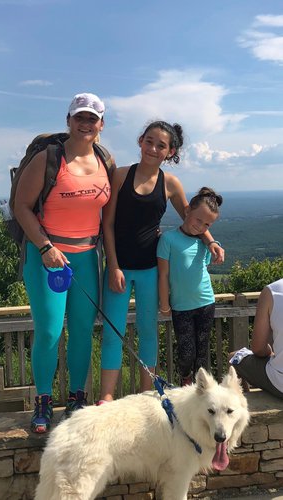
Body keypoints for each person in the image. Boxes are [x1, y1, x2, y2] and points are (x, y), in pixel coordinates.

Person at [99, 121, 224, 403]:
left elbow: (193, 218)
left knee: (148, 332)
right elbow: (107, 225)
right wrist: (114, 265)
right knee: (112, 332)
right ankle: (106, 398)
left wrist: (211, 241)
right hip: (120, 268)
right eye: (149, 141)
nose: (153, 148)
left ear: (170, 152)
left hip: (150, 270)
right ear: (140, 140)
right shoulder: (119, 176)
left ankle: (146, 396)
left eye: (161, 145)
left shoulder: (170, 183)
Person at [14, 93, 115, 433]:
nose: (85, 124)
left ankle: (76, 399)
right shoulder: (48, 159)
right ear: (69, 120)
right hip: (47, 258)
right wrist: (44, 247)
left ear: (101, 124)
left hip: (87, 256)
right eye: (79, 117)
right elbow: (21, 206)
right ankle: (43, 401)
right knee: (49, 331)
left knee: (83, 332)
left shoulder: (105, 160)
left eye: (92, 118)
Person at [157, 187, 223, 386]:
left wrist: (214, 244)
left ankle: (202, 391)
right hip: (181, 306)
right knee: (187, 353)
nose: (201, 226)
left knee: (202, 352)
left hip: (206, 302)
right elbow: (163, 274)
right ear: (187, 211)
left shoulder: (205, 242)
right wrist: (165, 304)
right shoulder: (168, 239)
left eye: (207, 224)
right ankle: (186, 382)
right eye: (198, 220)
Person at [229, 279, 283, 399]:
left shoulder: (272, 292)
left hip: (280, 383)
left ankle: (242, 404)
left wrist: (270, 352)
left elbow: (258, 349)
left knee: (234, 357)